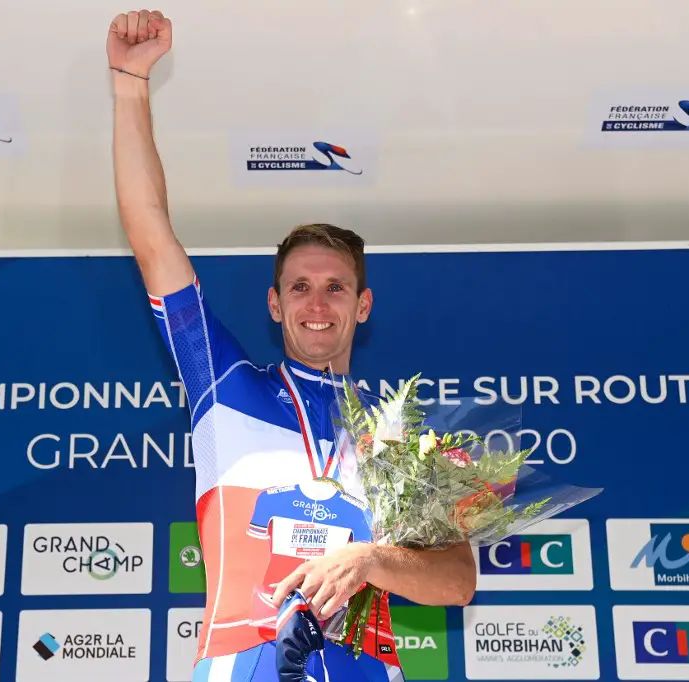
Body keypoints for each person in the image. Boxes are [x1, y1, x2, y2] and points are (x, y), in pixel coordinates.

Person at [106, 9, 477, 681]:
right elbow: (151, 235)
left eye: (336, 288)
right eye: (299, 287)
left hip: (366, 667)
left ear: (362, 307)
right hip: (243, 662)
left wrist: (370, 561)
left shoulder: (397, 437)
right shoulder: (226, 384)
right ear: (275, 303)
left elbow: (456, 581)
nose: (316, 303)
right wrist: (130, 85)